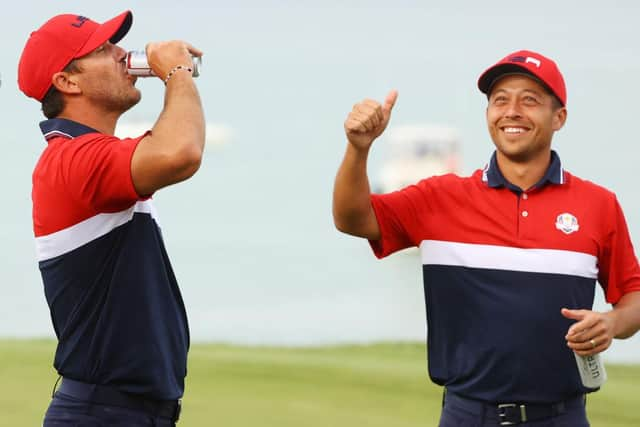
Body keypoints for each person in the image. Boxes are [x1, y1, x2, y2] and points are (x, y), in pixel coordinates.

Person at [333, 50, 640, 426]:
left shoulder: (598, 205)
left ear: (559, 117)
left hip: (562, 416)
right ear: (488, 115)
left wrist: (612, 323)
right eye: (500, 100)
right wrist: (358, 148)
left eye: (529, 100)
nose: (512, 111)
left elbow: (632, 297)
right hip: (466, 415)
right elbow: (351, 219)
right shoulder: (439, 198)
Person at [18, 10, 204, 426]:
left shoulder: (90, 155)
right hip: (102, 412)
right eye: (103, 49)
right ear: (68, 82)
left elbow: (166, 147)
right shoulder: (72, 161)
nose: (123, 54)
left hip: (124, 412)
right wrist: (175, 71)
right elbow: (181, 152)